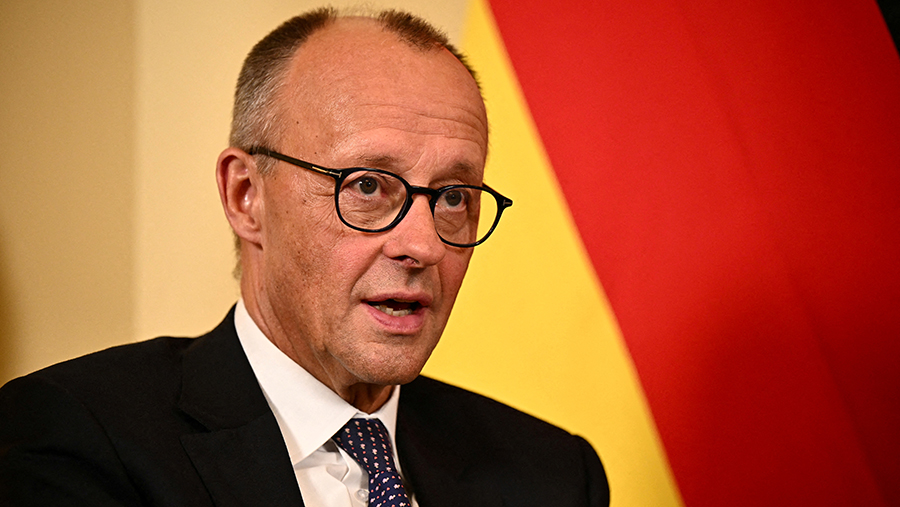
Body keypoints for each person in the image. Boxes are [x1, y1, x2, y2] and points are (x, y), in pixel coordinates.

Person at [0, 7, 609, 506]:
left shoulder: (554, 475)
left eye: (453, 196)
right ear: (247, 196)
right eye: (367, 185)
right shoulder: (74, 441)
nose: (423, 245)